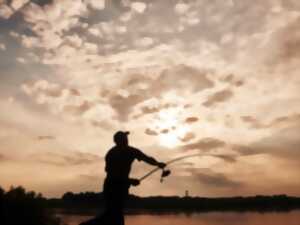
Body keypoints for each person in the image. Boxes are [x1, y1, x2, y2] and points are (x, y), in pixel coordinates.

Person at [80, 131, 166, 225]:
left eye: (126, 138)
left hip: (118, 186)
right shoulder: (112, 154)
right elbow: (112, 174)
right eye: (125, 138)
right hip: (112, 187)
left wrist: (158, 164)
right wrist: (129, 180)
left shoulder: (129, 151)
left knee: (112, 214)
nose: (127, 140)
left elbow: (147, 158)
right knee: (114, 215)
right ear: (119, 141)